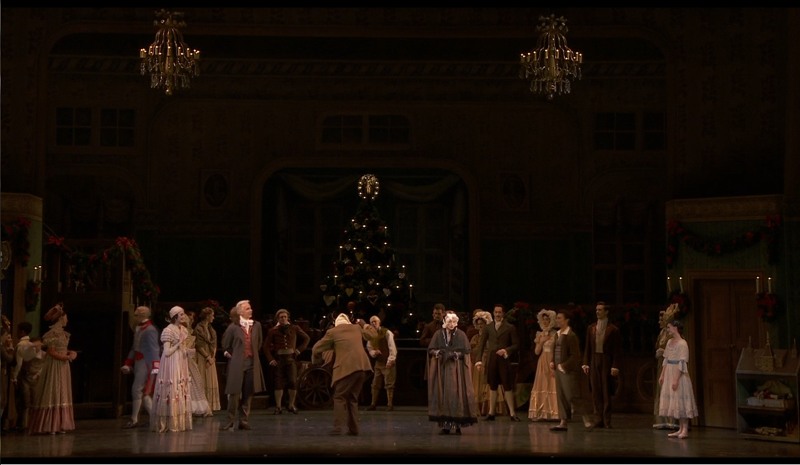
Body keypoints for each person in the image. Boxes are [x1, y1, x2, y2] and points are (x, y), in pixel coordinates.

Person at [311, 313, 376, 436]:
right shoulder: (357, 328)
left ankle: (338, 428)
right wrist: (365, 325)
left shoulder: (333, 332)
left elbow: (316, 348)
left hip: (346, 369)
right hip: (362, 368)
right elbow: (373, 335)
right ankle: (354, 429)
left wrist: (316, 361)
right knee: (352, 398)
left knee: (339, 397)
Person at [27, 304, 78, 435]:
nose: (67, 320)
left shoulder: (63, 334)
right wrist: (66, 357)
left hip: (62, 366)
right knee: (54, 390)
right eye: (65, 317)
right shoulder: (52, 334)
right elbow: (51, 352)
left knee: (62, 391)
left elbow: (62, 349)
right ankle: (50, 425)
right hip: (55, 365)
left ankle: (60, 424)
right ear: (61, 318)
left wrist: (71, 353)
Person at [427, 311, 478, 435]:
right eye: (449, 321)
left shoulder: (461, 334)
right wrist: (438, 352)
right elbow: (431, 349)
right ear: (444, 321)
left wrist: (455, 354)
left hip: (456, 370)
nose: (451, 324)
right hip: (443, 369)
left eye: (454, 321)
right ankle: (446, 426)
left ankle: (458, 425)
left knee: (456, 395)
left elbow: (466, 352)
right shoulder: (438, 334)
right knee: (444, 395)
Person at [219, 299, 266, 431]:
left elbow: (259, 342)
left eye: (250, 308)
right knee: (234, 393)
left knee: (248, 392)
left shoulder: (256, 325)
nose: (251, 310)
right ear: (240, 312)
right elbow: (225, 344)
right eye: (247, 309)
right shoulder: (233, 327)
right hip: (237, 364)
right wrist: (231, 355)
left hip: (252, 363)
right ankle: (230, 420)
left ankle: (243, 420)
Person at [549, 308, 593, 432]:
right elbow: (555, 350)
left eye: (559, 318)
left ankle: (586, 419)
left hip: (568, 371)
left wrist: (564, 366)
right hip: (558, 370)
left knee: (572, 395)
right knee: (561, 396)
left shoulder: (571, 336)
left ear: (566, 320)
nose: (557, 320)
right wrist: (552, 362)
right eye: (557, 318)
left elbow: (575, 356)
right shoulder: (557, 334)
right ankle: (563, 421)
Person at [474, 303, 521, 421]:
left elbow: (516, 344)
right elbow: (481, 345)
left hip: (504, 360)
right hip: (492, 359)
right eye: (496, 312)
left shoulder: (510, 327)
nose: (498, 314)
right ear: (493, 313)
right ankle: (491, 413)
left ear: (503, 313)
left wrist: (506, 350)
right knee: (492, 385)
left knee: (507, 385)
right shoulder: (488, 327)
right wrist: (478, 360)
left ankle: (512, 413)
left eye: (500, 312)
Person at [151, 306, 192, 433]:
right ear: (175, 316)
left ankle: (179, 423)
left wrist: (188, 351)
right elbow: (167, 352)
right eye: (181, 314)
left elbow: (183, 348)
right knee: (172, 388)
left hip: (181, 362)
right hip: (171, 362)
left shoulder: (183, 329)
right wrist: (179, 344)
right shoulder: (168, 330)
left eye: (183, 314)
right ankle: (169, 422)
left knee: (181, 388)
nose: (183, 316)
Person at [581, 301, 622, 429]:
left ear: (606, 312)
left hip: (606, 360)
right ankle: (598, 419)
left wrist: (615, 365)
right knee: (596, 390)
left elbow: (617, 350)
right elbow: (588, 347)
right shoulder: (591, 328)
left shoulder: (613, 329)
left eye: (600, 310)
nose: (597, 312)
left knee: (606, 390)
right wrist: (585, 363)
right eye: (596, 310)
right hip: (594, 359)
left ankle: (607, 420)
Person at [119, 305, 160, 429]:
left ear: (142, 315)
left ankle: (137, 419)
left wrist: (155, 367)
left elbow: (154, 350)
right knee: (140, 391)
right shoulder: (139, 328)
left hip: (146, 363)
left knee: (139, 390)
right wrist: (128, 363)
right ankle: (152, 419)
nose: (135, 317)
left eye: (136, 315)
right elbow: (134, 348)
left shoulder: (150, 330)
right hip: (139, 362)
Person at [263, 308, 310, 415]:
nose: (283, 319)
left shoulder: (294, 328)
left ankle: (291, 405)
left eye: (285, 317)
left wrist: (299, 350)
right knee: (278, 383)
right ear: (277, 319)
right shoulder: (273, 331)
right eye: (281, 317)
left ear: (288, 317)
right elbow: (265, 347)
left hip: (291, 359)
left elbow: (306, 338)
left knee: (293, 382)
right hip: (279, 360)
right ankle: (278, 407)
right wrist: (271, 359)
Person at [658, 319, 699, 439]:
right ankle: (680, 428)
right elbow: (666, 359)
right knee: (675, 401)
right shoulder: (669, 342)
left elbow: (682, 362)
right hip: (669, 372)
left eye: (669, 327)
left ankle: (684, 429)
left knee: (681, 401)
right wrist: (662, 375)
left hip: (678, 374)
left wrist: (676, 379)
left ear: (675, 328)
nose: (668, 330)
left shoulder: (682, 343)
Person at [11, 321, 43, 431]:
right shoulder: (31, 344)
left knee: (22, 401)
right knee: (31, 401)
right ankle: (30, 424)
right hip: (33, 377)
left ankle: (22, 424)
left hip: (23, 375)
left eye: (18, 330)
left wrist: (14, 377)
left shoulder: (21, 345)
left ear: (22, 331)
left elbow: (19, 363)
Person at [528, 308, 559, 421]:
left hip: (552, 360)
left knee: (552, 385)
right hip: (542, 361)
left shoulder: (556, 334)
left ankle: (554, 413)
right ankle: (541, 412)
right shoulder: (540, 334)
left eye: (547, 319)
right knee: (542, 385)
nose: (545, 321)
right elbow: (537, 352)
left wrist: (554, 362)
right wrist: (541, 342)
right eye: (544, 319)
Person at [653, 303, 680, 430]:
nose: (659, 322)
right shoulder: (662, 333)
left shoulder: (674, 333)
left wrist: (665, 352)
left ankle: (672, 420)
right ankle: (662, 419)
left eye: (661, 320)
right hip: (662, 365)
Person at [182, 309, 212, 417]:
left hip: (189, 361)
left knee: (195, 383)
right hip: (183, 361)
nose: (191, 320)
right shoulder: (184, 332)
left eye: (192, 318)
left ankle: (195, 408)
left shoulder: (190, 332)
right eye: (190, 318)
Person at [365, 315, 397, 411]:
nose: (373, 323)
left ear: (379, 322)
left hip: (387, 361)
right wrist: (374, 353)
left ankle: (390, 404)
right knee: (375, 384)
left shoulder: (386, 332)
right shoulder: (371, 334)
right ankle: (373, 404)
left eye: (375, 321)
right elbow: (369, 347)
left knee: (389, 384)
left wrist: (391, 360)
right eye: (372, 322)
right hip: (379, 362)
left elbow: (392, 347)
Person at [194, 306, 221, 412]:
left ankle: (210, 406)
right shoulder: (198, 328)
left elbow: (214, 344)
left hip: (210, 357)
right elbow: (198, 345)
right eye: (212, 315)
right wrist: (208, 357)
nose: (213, 317)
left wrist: (212, 357)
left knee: (210, 380)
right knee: (203, 379)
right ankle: (204, 407)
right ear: (207, 316)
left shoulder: (211, 329)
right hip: (202, 356)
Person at [468, 310, 492, 416]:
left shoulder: (490, 337)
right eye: (479, 324)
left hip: (487, 361)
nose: (480, 326)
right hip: (478, 362)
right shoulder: (475, 337)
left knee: (486, 382)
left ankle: (487, 408)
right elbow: (471, 350)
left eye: (482, 324)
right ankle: (479, 407)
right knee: (477, 383)